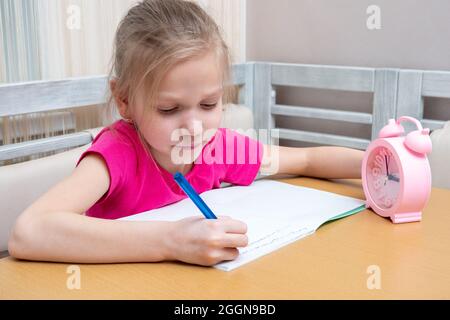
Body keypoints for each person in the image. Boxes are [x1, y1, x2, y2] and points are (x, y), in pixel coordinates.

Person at [8, 0, 364, 266]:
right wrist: (172, 242)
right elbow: (27, 233)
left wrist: (378, 165)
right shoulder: (117, 154)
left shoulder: (218, 148)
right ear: (125, 100)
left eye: (209, 104)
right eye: (169, 109)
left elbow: (307, 158)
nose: (194, 128)